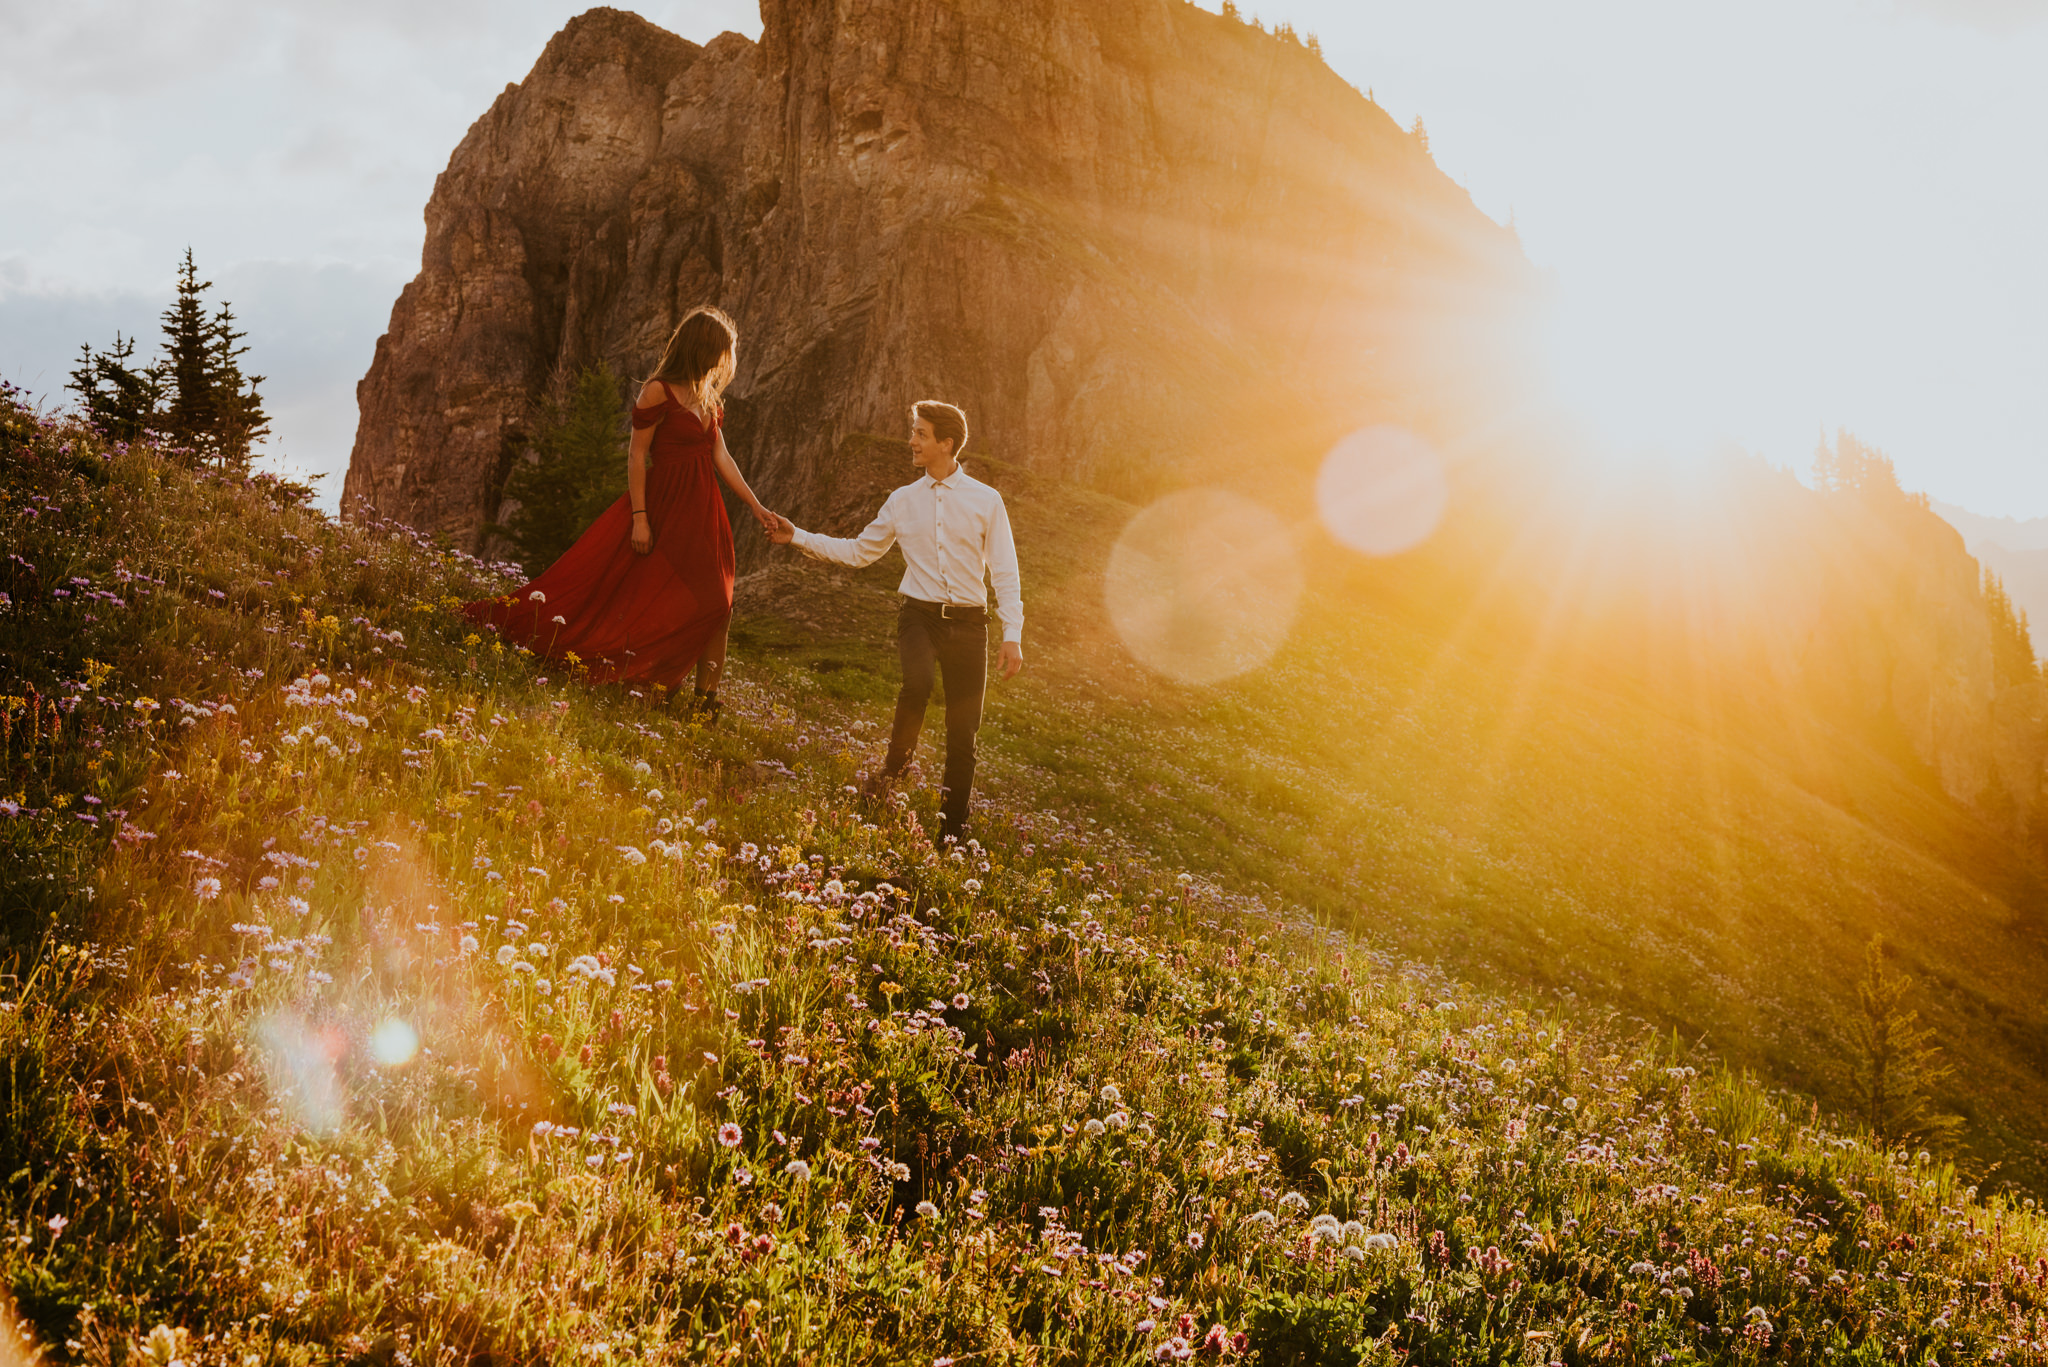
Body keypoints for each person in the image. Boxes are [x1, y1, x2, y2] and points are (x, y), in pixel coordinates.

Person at [464, 306, 776, 717]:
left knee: (719, 602)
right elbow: (637, 455)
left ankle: (705, 701)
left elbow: (722, 456)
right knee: (657, 594)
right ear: (702, 347)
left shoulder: (708, 399)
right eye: (721, 351)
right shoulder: (658, 390)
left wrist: (757, 507)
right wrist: (640, 518)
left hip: (703, 511)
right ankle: (653, 678)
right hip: (664, 506)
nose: (724, 361)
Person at [768, 400, 1023, 843]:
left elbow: (1004, 571)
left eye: (920, 434)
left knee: (963, 733)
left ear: (946, 443)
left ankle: (951, 833)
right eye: (914, 432)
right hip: (918, 616)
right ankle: (890, 776)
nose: (912, 441)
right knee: (917, 684)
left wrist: (1012, 634)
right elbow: (860, 552)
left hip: (970, 626)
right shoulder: (901, 501)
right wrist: (799, 537)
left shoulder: (987, 500)